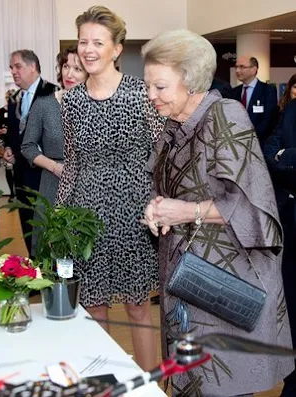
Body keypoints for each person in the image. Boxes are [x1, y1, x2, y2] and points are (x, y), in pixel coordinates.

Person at [142, 29, 293, 396]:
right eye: (149, 86)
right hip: (186, 278)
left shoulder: (225, 116)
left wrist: (185, 211)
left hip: (222, 280)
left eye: (160, 87)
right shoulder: (174, 124)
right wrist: (157, 209)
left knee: (219, 385)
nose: (151, 96)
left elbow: (254, 206)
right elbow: (166, 186)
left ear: (191, 80)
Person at [55, 6, 161, 371]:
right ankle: (103, 381)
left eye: (97, 42)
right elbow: (72, 161)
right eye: (83, 41)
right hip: (87, 215)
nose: (88, 49)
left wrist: (163, 207)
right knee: (94, 306)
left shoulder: (141, 94)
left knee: (138, 307)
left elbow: (161, 154)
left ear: (116, 49)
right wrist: (60, 216)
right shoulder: (70, 101)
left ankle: (148, 386)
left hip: (136, 212)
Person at [21, 45, 87, 254]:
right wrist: (55, 167)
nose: (69, 73)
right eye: (66, 66)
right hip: (52, 183)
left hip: (86, 184)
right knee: (50, 249)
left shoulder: (96, 105)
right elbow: (28, 146)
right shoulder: (44, 105)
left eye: (77, 69)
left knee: (83, 248)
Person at [3, 50, 58, 255]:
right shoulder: (14, 98)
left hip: (45, 172)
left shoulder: (52, 93)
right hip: (21, 172)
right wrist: (9, 147)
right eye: (11, 68)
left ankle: (48, 268)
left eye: (17, 66)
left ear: (33, 66)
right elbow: (13, 131)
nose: (13, 72)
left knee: (44, 223)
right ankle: (34, 267)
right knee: (27, 223)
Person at [263, 96, 296, 397]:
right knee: (291, 305)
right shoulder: (291, 111)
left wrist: (289, 155)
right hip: (290, 223)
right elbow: (269, 154)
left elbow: (283, 158)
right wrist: (286, 158)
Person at [231, 55, 278, 144]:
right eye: (236, 67)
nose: (237, 70)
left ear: (254, 69)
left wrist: (248, 136)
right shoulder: (234, 92)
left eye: (242, 67)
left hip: (260, 143)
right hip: (238, 143)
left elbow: (268, 120)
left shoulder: (267, 90)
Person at [0, 89, 16, 201]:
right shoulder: (1, 111)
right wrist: (0, 130)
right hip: (4, 142)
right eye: (8, 97)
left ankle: (18, 192)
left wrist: (10, 131)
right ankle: (11, 192)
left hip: (16, 144)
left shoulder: (19, 110)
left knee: (17, 169)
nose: (10, 99)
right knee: (7, 169)